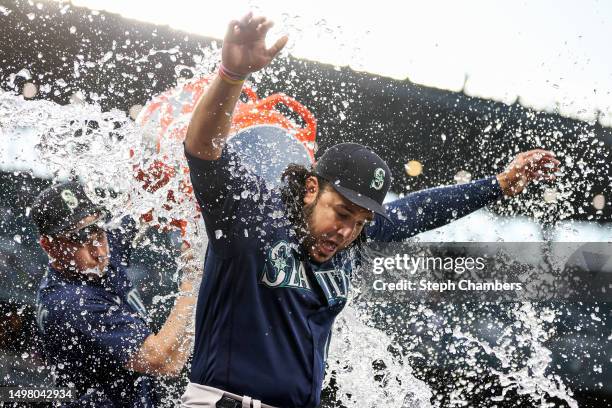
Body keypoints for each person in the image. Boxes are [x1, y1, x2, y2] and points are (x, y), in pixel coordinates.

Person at [181, 13, 560, 408]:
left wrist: (497, 184)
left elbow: (417, 211)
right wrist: (230, 76)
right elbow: (204, 151)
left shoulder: (353, 237)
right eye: (342, 213)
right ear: (312, 188)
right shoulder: (248, 215)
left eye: (361, 222)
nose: (347, 231)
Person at [32, 181, 200, 407]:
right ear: (49, 247)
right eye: (81, 239)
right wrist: (194, 276)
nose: (100, 251)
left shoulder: (94, 257)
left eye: (98, 231)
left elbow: (143, 204)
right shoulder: (72, 303)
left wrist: (167, 182)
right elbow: (163, 361)